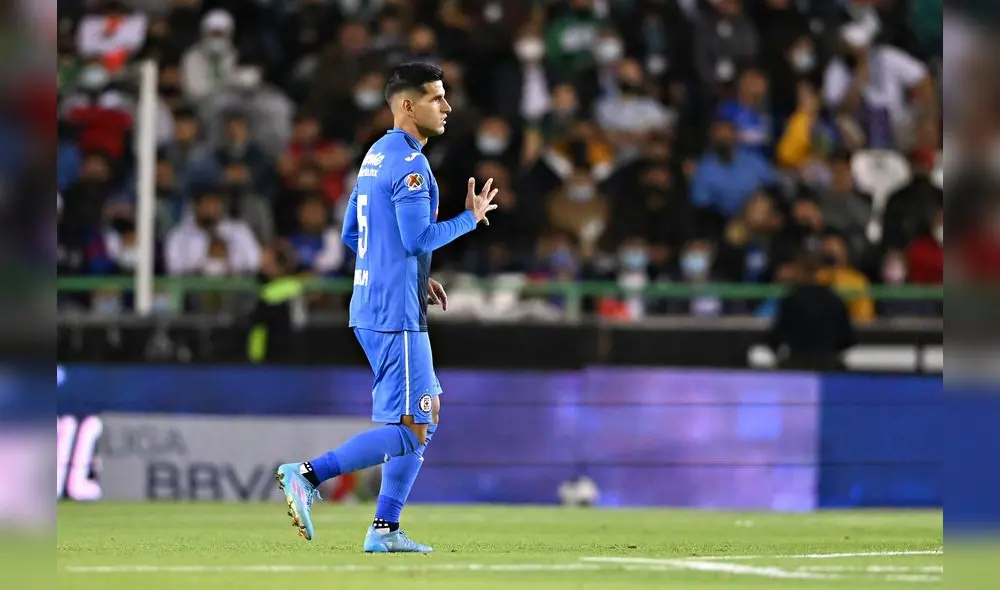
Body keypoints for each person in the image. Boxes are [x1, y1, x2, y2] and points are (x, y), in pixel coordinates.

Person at [274, 63, 498, 553]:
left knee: (426, 412)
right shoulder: (411, 166)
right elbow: (417, 238)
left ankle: (384, 530)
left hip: (375, 303)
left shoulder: (375, 155)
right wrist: (470, 218)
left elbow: (353, 234)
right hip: (395, 315)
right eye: (437, 98)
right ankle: (308, 474)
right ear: (407, 104)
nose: (447, 107)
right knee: (414, 427)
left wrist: (415, 277)